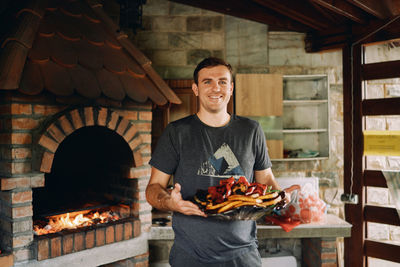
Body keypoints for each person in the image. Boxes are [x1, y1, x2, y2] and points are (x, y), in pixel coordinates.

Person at [146, 57, 283, 267]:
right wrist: (169, 203)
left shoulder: (251, 130)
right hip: (189, 256)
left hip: (243, 255)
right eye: (207, 81)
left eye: (222, 81)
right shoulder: (176, 132)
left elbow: (265, 179)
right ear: (195, 89)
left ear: (231, 88)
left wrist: (279, 196)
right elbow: (153, 188)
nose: (215, 87)